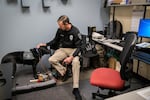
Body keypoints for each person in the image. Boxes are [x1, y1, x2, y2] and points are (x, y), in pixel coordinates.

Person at [37, 15, 82, 100]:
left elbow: (80, 47)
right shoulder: (60, 30)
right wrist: (45, 44)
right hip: (63, 49)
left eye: (60, 25)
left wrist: (71, 58)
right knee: (51, 59)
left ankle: (75, 89)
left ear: (66, 24)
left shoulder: (75, 31)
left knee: (76, 63)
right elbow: (55, 40)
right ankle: (64, 71)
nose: (59, 27)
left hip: (74, 50)